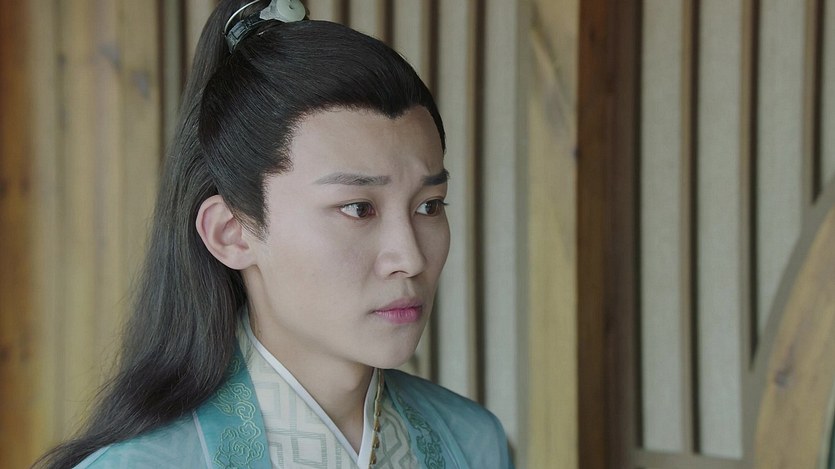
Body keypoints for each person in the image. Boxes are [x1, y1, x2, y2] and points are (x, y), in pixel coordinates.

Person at [36, 0, 513, 467]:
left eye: (429, 206)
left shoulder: (472, 443)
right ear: (232, 233)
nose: (409, 258)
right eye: (357, 208)